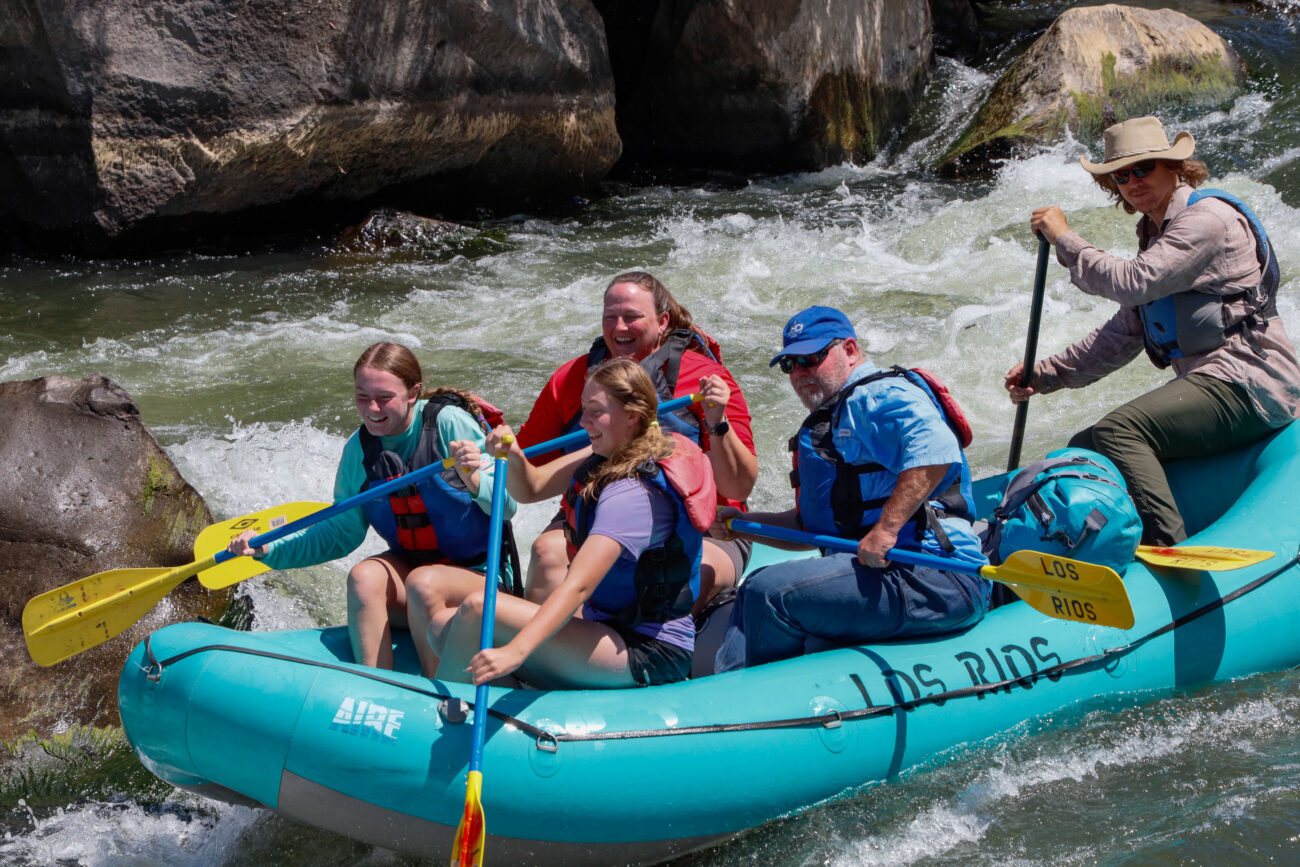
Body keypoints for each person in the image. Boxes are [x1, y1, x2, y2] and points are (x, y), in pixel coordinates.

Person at [1005, 115, 1300, 546]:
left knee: (1119, 431)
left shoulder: (1207, 220)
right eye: (1121, 175)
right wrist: (1045, 373)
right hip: (1215, 383)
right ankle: (1110, 547)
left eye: (1143, 168)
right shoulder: (1155, 232)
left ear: (1172, 166)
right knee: (1085, 446)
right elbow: (1127, 330)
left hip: (1249, 382)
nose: (1131, 181)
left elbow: (1132, 282)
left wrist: (1064, 238)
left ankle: (1170, 548)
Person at [713, 306, 990, 672]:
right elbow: (816, 529)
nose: (799, 373)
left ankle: (743, 704)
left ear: (849, 349)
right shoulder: (839, 411)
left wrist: (886, 530)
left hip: (934, 574)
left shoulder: (876, 395)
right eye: (789, 364)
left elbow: (936, 451)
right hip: (890, 572)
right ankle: (726, 696)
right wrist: (743, 523)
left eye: (811, 358)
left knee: (770, 592)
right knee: (755, 588)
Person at [226, 341, 516, 675]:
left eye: (384, 397)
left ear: (412, 393)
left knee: (424, 583)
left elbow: (507, 507)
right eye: (362, 396)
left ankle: (440, 693)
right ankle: (377, 682)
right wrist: (268, 549)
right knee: (364, 577)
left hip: (480, 576)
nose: (372, 409)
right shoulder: (358, 451)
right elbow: (340, 534)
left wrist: (475, 479)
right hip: (415, 577)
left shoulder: (449, 424)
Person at [430, 357, 717, 688]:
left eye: (596, 412)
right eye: (583, 410)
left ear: (632, 416)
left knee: (478, 611)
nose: (584, 422)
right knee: (441, 627)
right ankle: (504, 709)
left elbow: (579, 585)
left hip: (648, 650)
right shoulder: (615, 449)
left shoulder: (633, 494)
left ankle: (451, 716)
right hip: (608, 626)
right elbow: (531, 487)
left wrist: (517, 651)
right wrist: (511, 454)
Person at [515, 270, 757, 616]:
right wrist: (494, 458)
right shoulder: (571, 379)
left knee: (683, 578)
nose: (619, 328)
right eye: (610, 317)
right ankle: (553, 657)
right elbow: (528, 470)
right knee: (545, 555)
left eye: (631, 317)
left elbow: (739, 484)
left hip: (703, 525)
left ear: (662, 322)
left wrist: (718, 423)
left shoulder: (705, 381)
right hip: (597, 515)